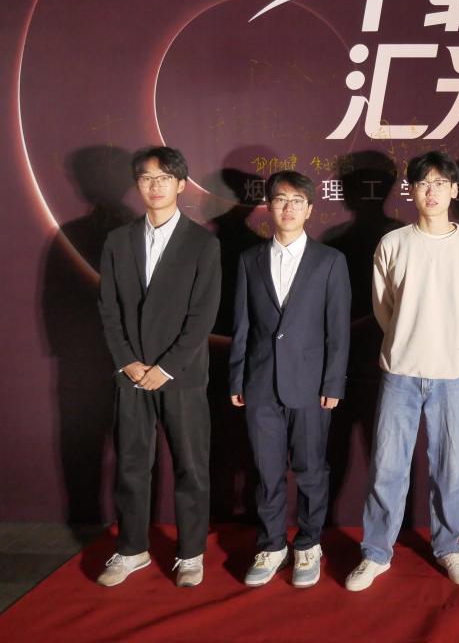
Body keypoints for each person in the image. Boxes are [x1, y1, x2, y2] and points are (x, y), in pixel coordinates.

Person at [345, 151, 459, 591]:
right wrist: (408, 338)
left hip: (452, 372)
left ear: (455, 189)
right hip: (401, 370)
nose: (432, 191)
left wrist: (450, 343)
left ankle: (449, 547)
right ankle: (376, 552)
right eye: (423, 183)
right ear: (411, 190)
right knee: (387, 466)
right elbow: (383, 308)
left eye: (440, 183)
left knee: (452, 468)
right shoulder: (393, 244)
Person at [96, 146, 221, 588]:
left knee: (191, 467)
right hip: (131, 374)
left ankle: (190, 554)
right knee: (131, 465)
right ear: (137, 184)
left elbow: (203, 315)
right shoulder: (118, 240)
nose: (155, 185)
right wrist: (128, 362)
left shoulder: (203, 243)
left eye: (165, 178)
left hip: (181, 376)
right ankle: (132, 549)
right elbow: (108, 308)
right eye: (147, 178)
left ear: (181, 185)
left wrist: (165, 367)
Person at [229, 171, 351, 589]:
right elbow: (241, 325)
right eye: (281, 199)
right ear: (268, 206)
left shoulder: (330, 261)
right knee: (267, 472)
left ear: (310, 209)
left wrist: (333, 384)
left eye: (297, 201)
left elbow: (338, 330)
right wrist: (237, 377)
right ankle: (271, 545)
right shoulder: (249, 260)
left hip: (312, 386)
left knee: (311, 469)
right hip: (260, 383)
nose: (288, 208)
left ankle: (309, 544)